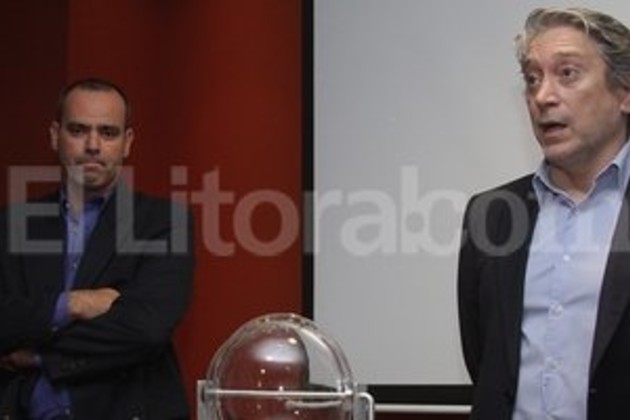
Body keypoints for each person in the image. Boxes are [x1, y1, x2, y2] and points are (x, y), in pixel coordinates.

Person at [457, 7, 630, 420]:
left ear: (624, 93)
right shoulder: (491, 214)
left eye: (567, 74)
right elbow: (486, 361)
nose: (543, 96)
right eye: (532, 78)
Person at [0, 78, 195, 419]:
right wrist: (73, 304)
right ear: (55, 135)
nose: (93, 145)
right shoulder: (11, 224)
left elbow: (146, 330)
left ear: (127, 142)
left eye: (107, 133)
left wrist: (40, 356)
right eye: (78, 130)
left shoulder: (164, 222)